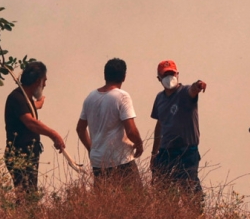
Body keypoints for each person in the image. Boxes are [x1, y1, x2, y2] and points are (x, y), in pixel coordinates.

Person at [76, 58, 144, 190]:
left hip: (98, 161)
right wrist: (139, 145)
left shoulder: (90, 97)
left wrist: (92, 148)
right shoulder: (122, 96)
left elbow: (80, 129)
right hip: (120, 160)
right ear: (124, 77)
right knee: (135, 201)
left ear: (105, 75)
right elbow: (131, 131)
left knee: (104, 203)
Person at [4, 61, 65, 203]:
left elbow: (31, 107)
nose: (45, 85)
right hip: (19, 155)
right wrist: (53, 134)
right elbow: (30, 122)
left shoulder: (26, 99)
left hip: (28, 155)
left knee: (29, 194)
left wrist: (38, 102)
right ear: (38, 81)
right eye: (44, 81)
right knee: (26, 197)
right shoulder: (17, 98)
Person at [150, 60, 207, 201]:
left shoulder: (185, 93)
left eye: (172, 73)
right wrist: (154, 152)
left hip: (186, 151)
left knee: (190, 192)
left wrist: (199, 85)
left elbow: (193, 90)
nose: (169, 78)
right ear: (159, 78)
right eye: (165, 75)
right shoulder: (159, 98)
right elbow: (159, 124)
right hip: (165, 152)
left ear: (178, 75)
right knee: (164, 193)